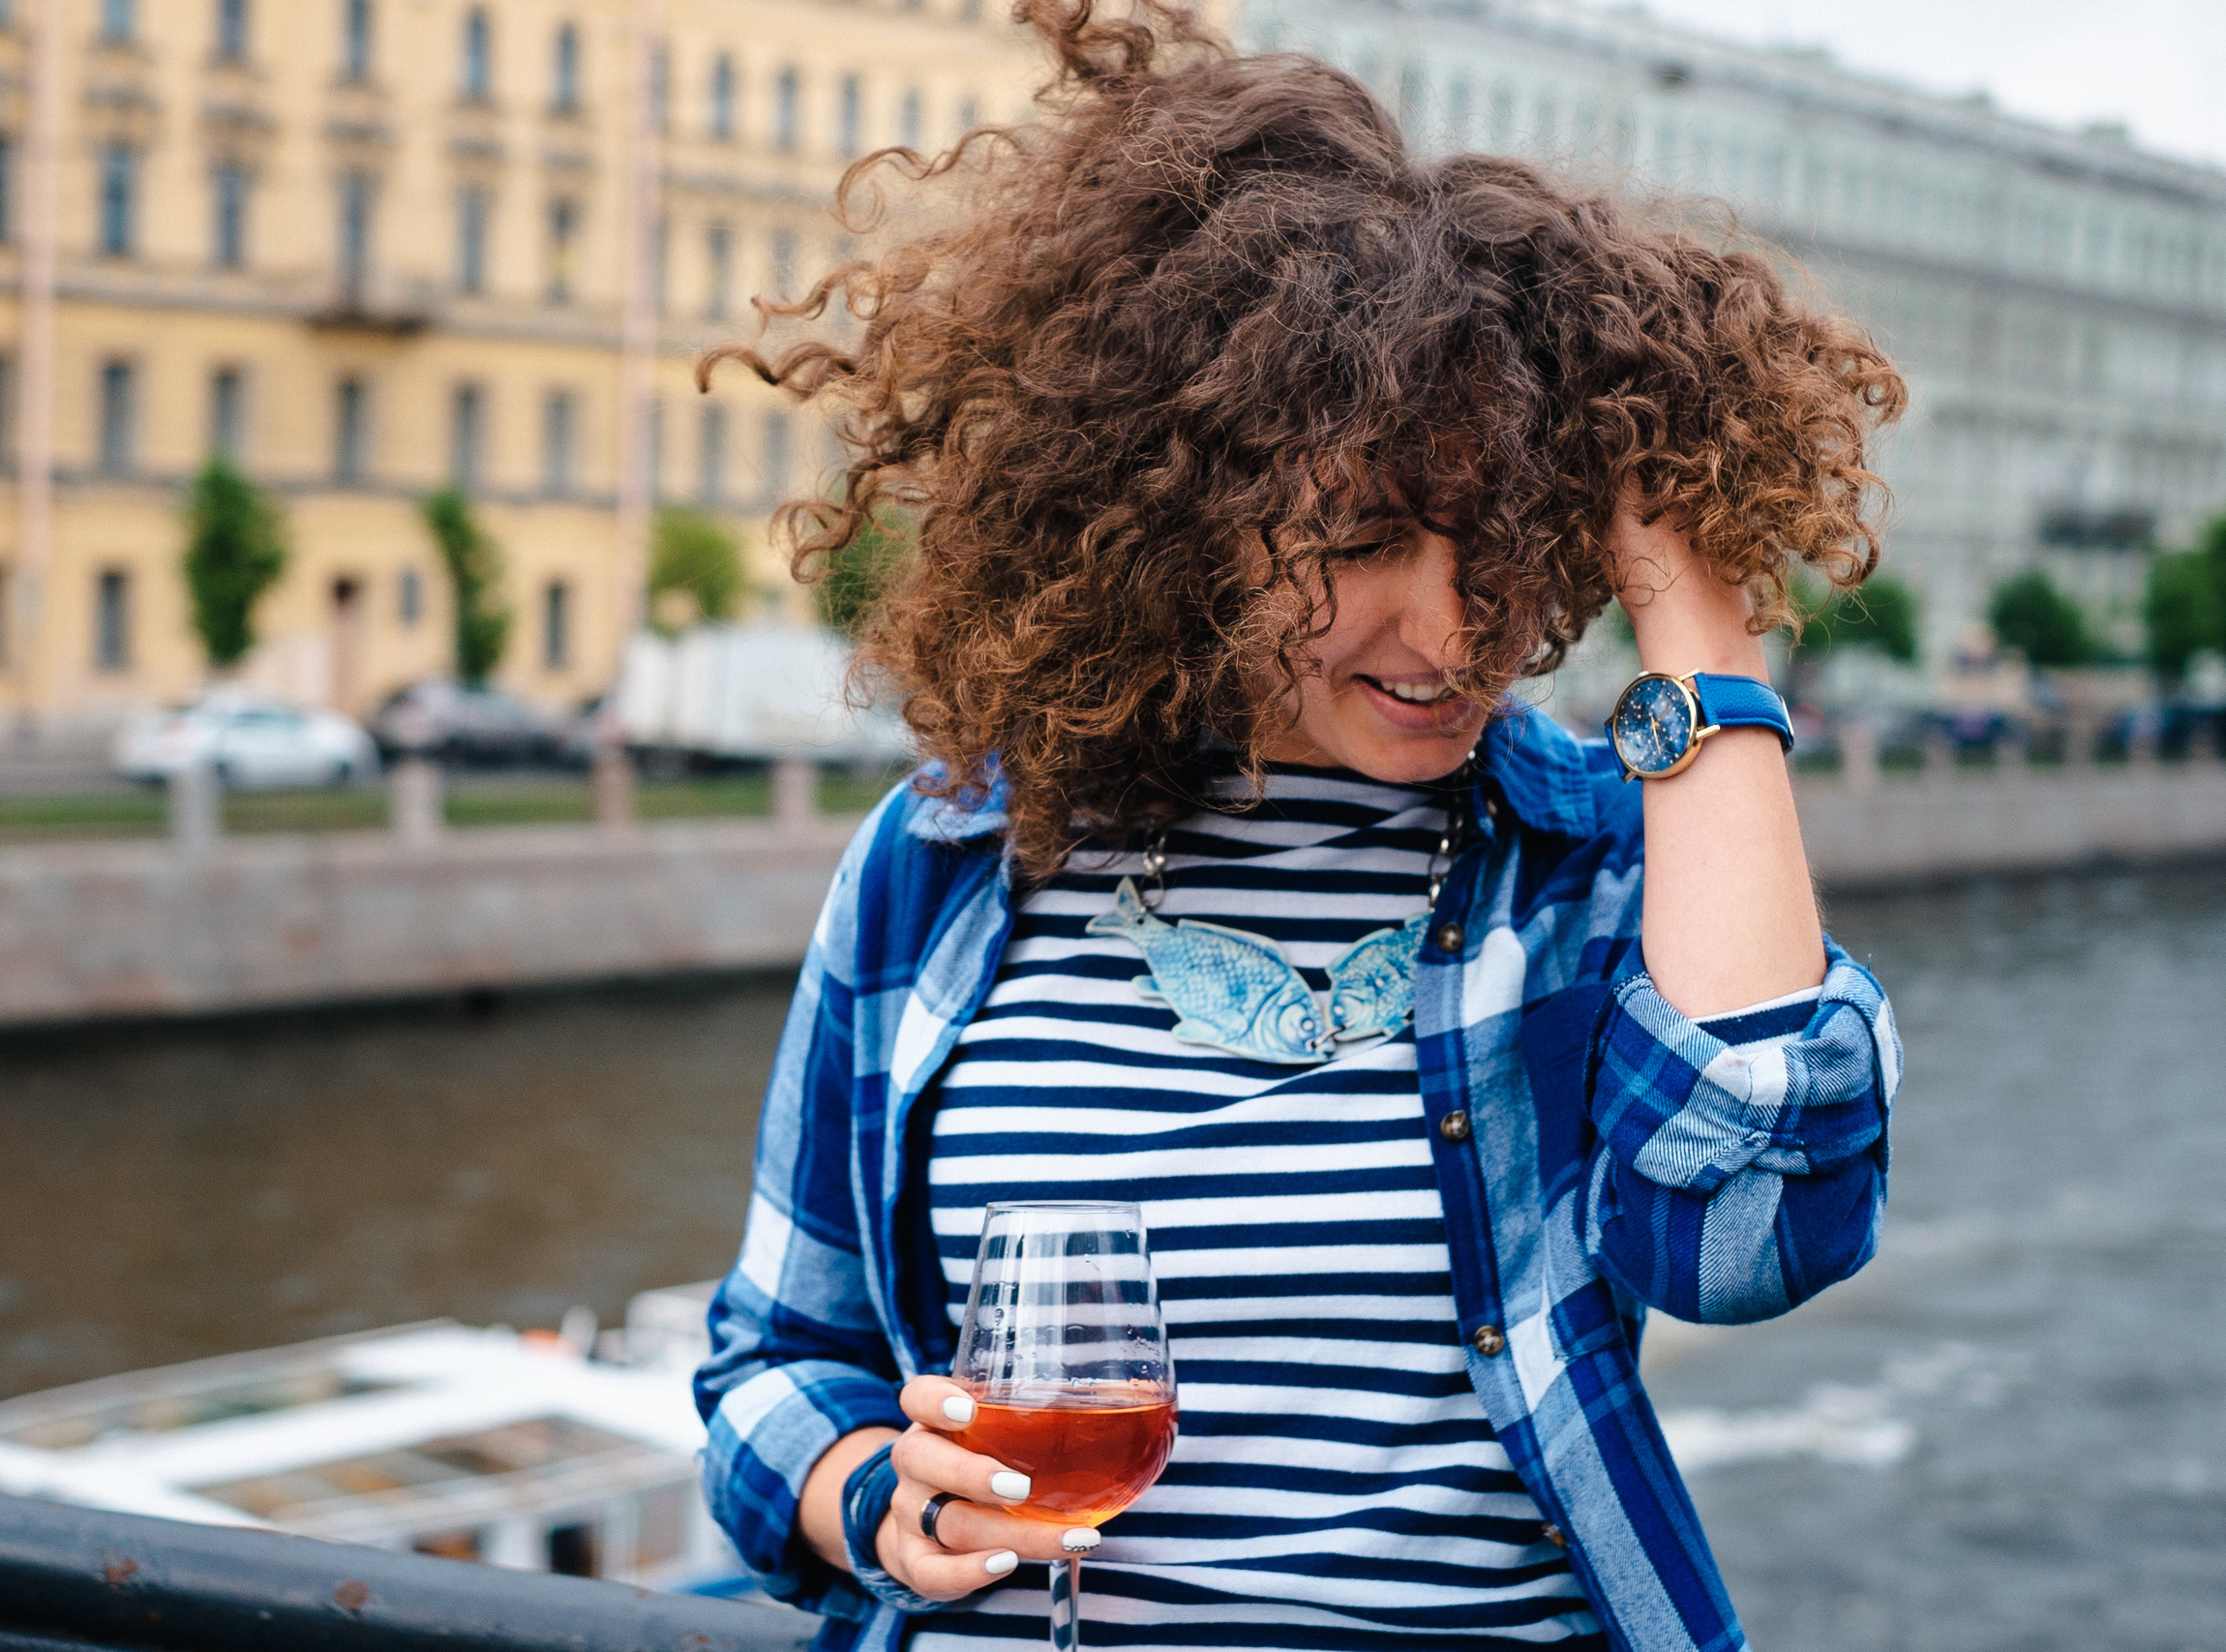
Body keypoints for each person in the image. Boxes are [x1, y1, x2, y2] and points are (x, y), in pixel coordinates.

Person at [694, 5, 1906, 1650]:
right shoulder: (947, 865)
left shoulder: (1602, 864)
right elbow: (775, 1360)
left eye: (1507, 539)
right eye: (1364, 538)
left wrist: (1693, 617)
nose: (1456, 627)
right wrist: (868, 1497)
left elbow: (1752, 1239)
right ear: (1185, 512)